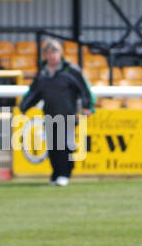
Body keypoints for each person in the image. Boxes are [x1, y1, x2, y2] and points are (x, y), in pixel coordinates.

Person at [18, 38, 94, 186]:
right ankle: (56, 174)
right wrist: (24, 107)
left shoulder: (70, 71)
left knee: (64, 144)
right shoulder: (43, 73)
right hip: (50, 114)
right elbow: (34, 92)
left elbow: (84, 88)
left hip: (68, 114)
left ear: (60, 54)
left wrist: (87, 106)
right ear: (45, 55)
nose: (52, 56)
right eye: (49, 53)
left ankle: (64, 174)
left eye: (54, 52)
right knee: (52, 145)